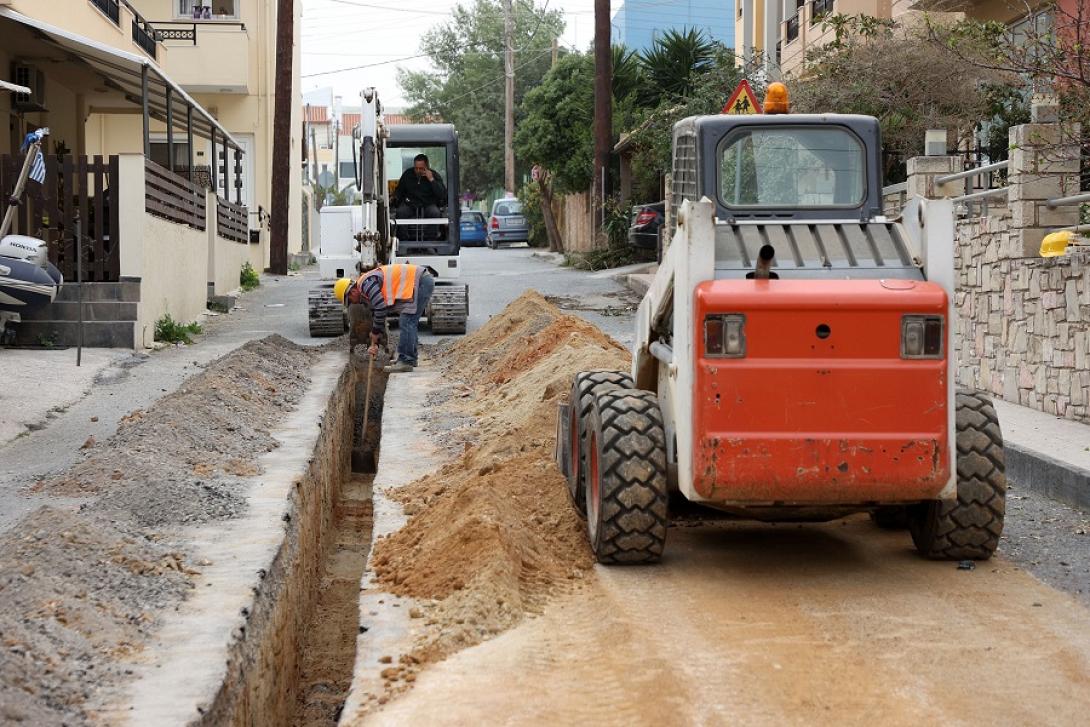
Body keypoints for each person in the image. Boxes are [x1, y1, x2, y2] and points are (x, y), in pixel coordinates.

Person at [338, 263, 435, 373]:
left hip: (420, 281)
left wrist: (375, 332)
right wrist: (375, 343)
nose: (353, 303)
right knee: (409, 320)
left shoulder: (366, 284)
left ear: (352, 292)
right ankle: (410, 358)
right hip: (418, 282)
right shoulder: (365, 293)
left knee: (407, 321)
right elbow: (377, 316)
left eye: (350, 301)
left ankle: (406, 360)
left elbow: (381, 308)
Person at [393, 153, 446, 221]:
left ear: (427, 166)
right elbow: (399, 190)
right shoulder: (407, 174)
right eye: (416, 168)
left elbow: (442, 194)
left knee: (435, 212)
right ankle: (404, 229)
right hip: (410, 204)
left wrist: (431, 180)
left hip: (428, 204)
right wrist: (395, 197)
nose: (418, 171)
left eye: (421, 168)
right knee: (401, 212)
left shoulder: (434, 175)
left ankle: (431, 229)